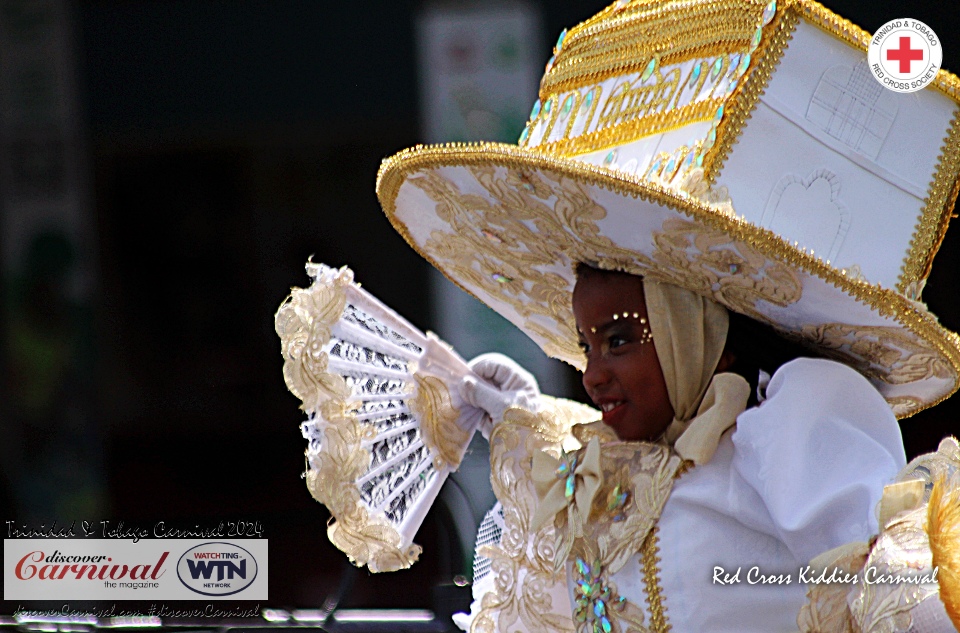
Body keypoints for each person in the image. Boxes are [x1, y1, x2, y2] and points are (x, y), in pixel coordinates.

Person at [370, 0, 960, 629]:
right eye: (587, 344)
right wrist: (521, 420)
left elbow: (894, 588)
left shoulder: (793, 416)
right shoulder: (627, 473)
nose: (591, 373)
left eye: (619, 340)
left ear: (703, 338)